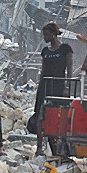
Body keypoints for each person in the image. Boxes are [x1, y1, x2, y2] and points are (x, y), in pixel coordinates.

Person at [35, 22, 73, 156]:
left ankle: (61, 147)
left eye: (46, 34)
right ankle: (39, 147)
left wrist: (67, 87)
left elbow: (69, 70)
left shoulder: (65, 49)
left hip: (59, 86)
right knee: (40, 115)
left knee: (58, 116)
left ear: (53, 34)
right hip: (45, 87)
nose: (44, 37)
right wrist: (39, 88)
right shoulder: (45, 51)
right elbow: (43, 70)